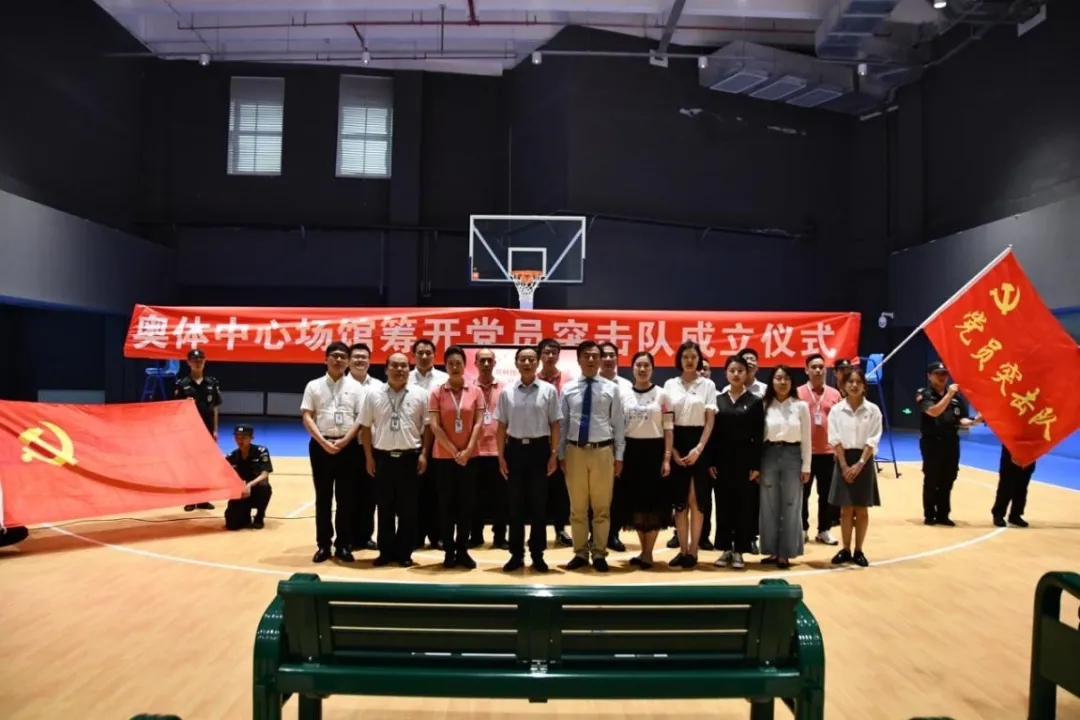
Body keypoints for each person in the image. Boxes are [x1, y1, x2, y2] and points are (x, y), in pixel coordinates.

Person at [558, 340, 626, 572]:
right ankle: (580, 553)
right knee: (577, 508)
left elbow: (618, 425)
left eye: (595, 356)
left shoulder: (611, 388)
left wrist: (619, 457)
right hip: (574, 452)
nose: (590, 360)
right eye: (586, 355)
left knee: (601, 507)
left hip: (603, 453)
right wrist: (560, 454)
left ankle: (599, 553)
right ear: (578, 360)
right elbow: (563, 425)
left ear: (600, 360)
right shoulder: (567, 389)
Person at [360, 352, 431, 568]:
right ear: (386, 369)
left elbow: (428, 426)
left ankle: (404, 552)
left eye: (404, 366)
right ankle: (385, 552)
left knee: (408, 510)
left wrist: (424, 454)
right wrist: (369, 457)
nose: (399, 369)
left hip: (410, 458)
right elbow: (365, 427)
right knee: (384, 508)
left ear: (409, 369)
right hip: (383, 458)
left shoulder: (421, 394)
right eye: (394, 365)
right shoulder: (373, 394)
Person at [495, 345, 561, 573]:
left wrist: (554, 454)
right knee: (515, 506)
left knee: (538, 506)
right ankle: (516, 554)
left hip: (540, 451)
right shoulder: (507, 392)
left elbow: (555, 424)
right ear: (516, 363)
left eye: (531, 359)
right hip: (514, 451)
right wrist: (501, 456)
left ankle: (537, 554)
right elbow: (501, 426)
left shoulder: (549, 391)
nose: (527, 363)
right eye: (522, 359)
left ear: (537, 362)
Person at [300, 342, 365, 563]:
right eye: (334, 356)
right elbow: (307, 415)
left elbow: (360, 418)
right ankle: (323, 545)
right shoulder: (314, 386)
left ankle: (343, 545)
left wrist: (345, 441)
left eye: (342, 356)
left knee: (346, 498)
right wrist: (323, 442)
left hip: (348, 449)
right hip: (321, 447)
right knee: (323, 497)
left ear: (348, 361)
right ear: (325, 359)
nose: (338, 360)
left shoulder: (357, 388)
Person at [428, 346, 485, 569]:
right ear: (445, 366)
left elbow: (479, 423)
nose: (454, 367)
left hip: (470, 458)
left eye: (458, 363)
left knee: (466, 506)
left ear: (464, 365)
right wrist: (454, 451)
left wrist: (468, 450)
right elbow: (435, 426)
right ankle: (449, 552)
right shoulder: (437, 392)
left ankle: (462, 550)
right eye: (450, 363)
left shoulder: (475, 391)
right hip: (444, 458)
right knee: (446, 506)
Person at [662, 341, 716, 568]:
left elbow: (710, 421)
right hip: (676, 441)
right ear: (679, 360)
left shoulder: (708, 385)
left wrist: (699, 449)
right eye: (685, 357)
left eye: (694, 357)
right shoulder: (670, 384)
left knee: (696, 500)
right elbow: (667, 422)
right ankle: (682, 550)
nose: (690, 361)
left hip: (699, 445)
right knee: (680, 501)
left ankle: (694, 551)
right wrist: (672, 451)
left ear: (699, 360)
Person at [619, 351, 674, 569]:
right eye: (638, 365)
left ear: (652, 369)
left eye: (646, 366)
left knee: (653, 506)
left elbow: (668, 429)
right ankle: (643, 551)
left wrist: (667, 458)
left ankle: (649, 553)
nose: (642, 369)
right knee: (636, 506)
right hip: (631, 453)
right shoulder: (624, 395)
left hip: (654, 453)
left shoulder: (662, 395)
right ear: (632, 368)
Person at [711, 355, 765, 570]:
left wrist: (756, 465)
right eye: (732, 370)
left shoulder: (755, 401)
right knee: (723, 506)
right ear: (726, 373)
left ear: (747, 373)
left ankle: (740, 551)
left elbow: (759, 435)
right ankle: (725, 549)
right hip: (722, 460)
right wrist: (712, 461)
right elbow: (713, 434)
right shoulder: (718, 400)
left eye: (740, 370)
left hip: (745, 461)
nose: (736, 374)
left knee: (744, 507)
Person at [827, 368, 883, 567]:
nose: (854, 385)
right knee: (845, 510)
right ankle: (845, 549)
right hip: (843, 459)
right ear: (843, 386)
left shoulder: (873, 410)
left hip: (863, 461)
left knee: (862, 510)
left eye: (858, 382)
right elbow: (835, 439)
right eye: (850, 381)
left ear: (864, 387)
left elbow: (873, 439)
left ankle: (859, 550)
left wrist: (859, 464)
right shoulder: (836, 410)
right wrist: (844, 466)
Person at [759, 366, 812, 569]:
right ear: (772, 381)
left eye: (787, 378)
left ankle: (786, 552)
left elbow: (806, 439)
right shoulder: (764, 405)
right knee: (769, 504)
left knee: (791, 504)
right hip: (768, 455)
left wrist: (806, 466)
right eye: (779, 378)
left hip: (793, 455)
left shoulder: (801, 406)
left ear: (792, 382)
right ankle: (772, 550)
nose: (783, 382)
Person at [917, 361, 983, 526]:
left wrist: (974, 421)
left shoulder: (956, 398)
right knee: (932, 478)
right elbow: (933, 412)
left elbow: (961, 419)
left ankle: (943, 514)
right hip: (932, 442)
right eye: (938, 374)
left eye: (944, 374)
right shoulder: (924, 393)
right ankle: (930, 514)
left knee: (948, 478)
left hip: (951, 442)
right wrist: (948, 395)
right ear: (929, 376)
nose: (942, 377)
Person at [796, 353, 842, 545]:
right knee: (802, 494)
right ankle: (802, 529)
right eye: (813, 367)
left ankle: (824, 530)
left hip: (828, 453)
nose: (817, 370)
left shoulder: (835, 394)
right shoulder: (797, 393)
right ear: (806, 370)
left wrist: (839, 450)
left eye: (821, 367)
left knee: (826, 495)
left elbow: (840, 424)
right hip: (804, 453)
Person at [409, 338, 447, 550]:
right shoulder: (404, 377)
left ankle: (437, 535)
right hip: (412, 443)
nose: (424, 357)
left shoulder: (444, 379)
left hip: (440, 444)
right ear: (413, 355)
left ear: (435, 355)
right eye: (420, 353)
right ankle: (415, 535)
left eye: (428, 353)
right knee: (414, 493)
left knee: (437, 491)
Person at [468, 348, 508, 549]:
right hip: (474, 451)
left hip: (499, 452)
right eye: (482, 360)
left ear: (494, 363)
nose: (485, 364)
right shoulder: (468, 388)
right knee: (474, 497)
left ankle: (500, 537)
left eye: (489, 361)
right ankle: (475, 535)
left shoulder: (505, 389)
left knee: (501, 498)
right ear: (475, 363)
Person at [175, 348, 221, 511]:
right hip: (189, 430)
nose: (198, 362)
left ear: (205, 361)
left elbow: (215, 407)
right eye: (195, 360)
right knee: (190, 464)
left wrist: (215, 430)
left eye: (201, 359)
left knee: (206, 464)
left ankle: (203, 499)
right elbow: (176, 409)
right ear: (188, 362)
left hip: (207, 429)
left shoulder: (212, 383)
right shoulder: (182, 384)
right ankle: (190, 499)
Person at [537, 337, 573, 547]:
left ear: (559, 356)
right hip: (540, 442)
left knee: (561, 489)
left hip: (563, 442)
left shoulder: (568, 381)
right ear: (540, 355)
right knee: (539, 489)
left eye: (554, 353)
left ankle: (561, 529)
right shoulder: (533, 380)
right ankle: (538, 530)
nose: (550, 356)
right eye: (546, 352)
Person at [348, 342, 383, 551]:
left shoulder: (379, 386)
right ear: (349, 361)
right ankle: (347, 537)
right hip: (349, 447)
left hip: (373, 447)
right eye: (356, 357)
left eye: (364, 357)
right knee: (348, 494)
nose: (360, 360)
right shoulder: (342, 384)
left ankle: (365, 536)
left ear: (370, 361)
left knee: (370, 495)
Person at [597, 341, 632, 551]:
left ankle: (613, 535)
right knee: (595, 493)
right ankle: (594, 535)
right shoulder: (591, 384)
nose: (608, 359)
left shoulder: (626, 386)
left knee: (617, 493)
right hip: (596, 445)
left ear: (618, 359)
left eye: (612, 355)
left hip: (620, 446)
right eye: (604, 355)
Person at [223, 424, 273, 531]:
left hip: (256, 488)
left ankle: (259, 516)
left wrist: (249, 485)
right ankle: (244, 514)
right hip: (241, 491)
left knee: (264, 486)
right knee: (232, 524)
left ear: (251, 437)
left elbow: (265, 473)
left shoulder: (261, 451)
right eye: (237, 437)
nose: (240, 440)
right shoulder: (231, 456)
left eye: (244, 437)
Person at [992, 445, 1034, 528]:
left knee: (1022, 487)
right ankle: (998, 514)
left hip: (1028, 453)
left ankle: (1015, 515)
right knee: (1006, 486)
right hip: (1010, 451)